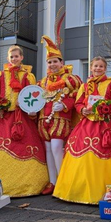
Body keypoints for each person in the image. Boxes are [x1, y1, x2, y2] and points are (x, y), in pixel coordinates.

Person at [0, 45, 49, 197]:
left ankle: (27, 185)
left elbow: (33, 94)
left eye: (17, 56)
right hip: (0, 117)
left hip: (21, 117)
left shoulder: (28, 76)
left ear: (22, 58)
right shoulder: (0, 75)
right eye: (11, 57)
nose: (14, 59)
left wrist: (26, 104)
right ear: (8, 58)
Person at [53, 56, 111, 204]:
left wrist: (107, 110)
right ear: (91, 68)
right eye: (95, 66)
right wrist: (82, 110)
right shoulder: (85, 85)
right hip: (87, 123)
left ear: (105, 68)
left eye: (101, 66)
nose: (98, 69)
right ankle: (79, 190)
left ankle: (107, 190)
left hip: (107, 125)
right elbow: (78, 103)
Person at [37, 31, 81, 195]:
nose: (52, 65)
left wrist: (63, 105)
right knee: (48, 149)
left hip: (60, 119)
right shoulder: (42, 82)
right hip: (44, 119)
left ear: (62, 63)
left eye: (55, 61)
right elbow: (36, 98)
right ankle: (53, 182)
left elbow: (77, 96)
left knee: (56, 147)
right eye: (49, 62)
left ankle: (64, 180)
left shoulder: (70, 79)